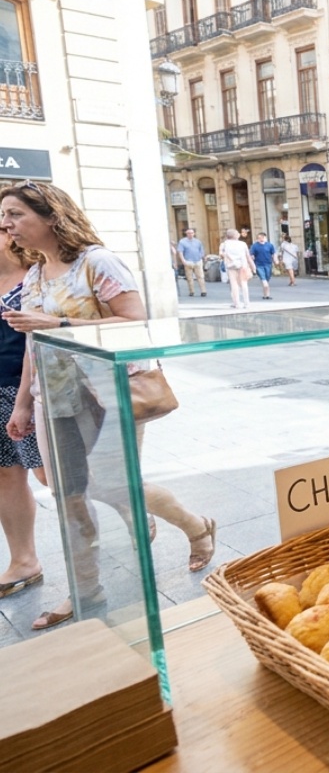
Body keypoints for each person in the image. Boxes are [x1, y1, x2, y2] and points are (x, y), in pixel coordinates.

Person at [0, 182, 216, 630]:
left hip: (109, 393)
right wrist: (22, 406)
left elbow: (135, 323)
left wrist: (57, 321)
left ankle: (195, 525)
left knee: (116, 486)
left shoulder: (96, 262)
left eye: (15, 214)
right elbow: (32, 348)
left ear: (52, 216)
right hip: (55, 397)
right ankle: (86, 591)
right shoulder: (36, 275)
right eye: (4, 216)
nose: (6, 225)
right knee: (69, 497)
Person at [0, 229, 43, 599]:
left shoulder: (37, 272)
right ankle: (23, 560)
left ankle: (180, 522)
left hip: (28, 387)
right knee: (6, 475)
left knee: (53, 476)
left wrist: (24, 400)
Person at [218, 228, 252, 310]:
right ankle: (246, 303)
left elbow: (221, 254)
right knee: (244, 284)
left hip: (231, 266)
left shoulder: (224, 244)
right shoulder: (243, 244)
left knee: (234, 284)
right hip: (242, 265)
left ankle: (237, 304)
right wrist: (252, 266)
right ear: (235, 235)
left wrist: (228, 257)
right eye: (238, 233)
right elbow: (248, 256)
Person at [177, 228, 206, 297]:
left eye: (192, 233)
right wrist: (183, 260)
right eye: (188, 233)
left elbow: (201, 250)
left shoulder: (198, 241)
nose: (190, 234)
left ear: (194, 233)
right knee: (189, 278)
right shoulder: (182, 242)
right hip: (188, 261)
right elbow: (180, 251)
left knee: (200, 277)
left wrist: (202, 257)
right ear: (186, 234)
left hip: (198, 261)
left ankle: (203, 291)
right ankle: (191, 291)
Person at [250, 232, 276, 300]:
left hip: (268, 264)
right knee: (264, 280)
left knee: (267, 279)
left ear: (265, 238)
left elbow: (273, 253)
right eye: (259, 238)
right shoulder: (254, 246)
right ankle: (267, 294)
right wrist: (251, 262)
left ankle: (265, 295)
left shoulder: (270, 245)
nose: (261, 239)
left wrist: (275, 260)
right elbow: (252, 255)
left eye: (262, 237)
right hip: (259, 265)